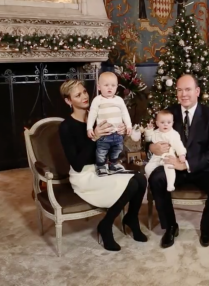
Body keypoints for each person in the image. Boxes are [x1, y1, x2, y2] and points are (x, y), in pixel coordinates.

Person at [59, 80, 147, 252]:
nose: (85, 97)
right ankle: (106, 225)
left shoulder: (100, 116)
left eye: (84, 92)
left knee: (141, 180)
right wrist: (94, 137)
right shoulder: (66, 127)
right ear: (68, 101)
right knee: (131, 184)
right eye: (78, 95)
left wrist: (120, 133)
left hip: (104, 166)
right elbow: (76, 164)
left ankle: (131, 218)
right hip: (84, 174)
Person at [148, 74, 209, 248]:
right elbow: (153, 136)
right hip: (173, 166)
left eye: (188, 89)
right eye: (179, 90)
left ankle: (206, 228)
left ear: (197, 91)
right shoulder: (169, 113)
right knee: (156, 178)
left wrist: (185, 164)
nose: (183, 94)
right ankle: (170, 226)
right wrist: (152, 147)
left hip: (204, 167)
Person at [87, 72, 132, 176]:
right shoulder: (97, 100)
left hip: (117, 134)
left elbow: (125, 113)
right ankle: (101, 166)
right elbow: (92, 114)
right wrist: (89, 128)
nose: (109, 88)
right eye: (106, 85)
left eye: (113, 85)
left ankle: (113, 165)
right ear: (99, 87)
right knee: (101, 152)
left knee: (117, 150)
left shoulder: (119, 100)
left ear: (117, 87)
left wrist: (128, 126)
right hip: (104, 135)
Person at [144, 110, 187, 192]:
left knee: (169, 168)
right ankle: (150, 182)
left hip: (168, 156)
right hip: (156, 157)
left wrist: (182, 154)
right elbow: (148, 139)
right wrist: (149, 130)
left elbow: (178, 145)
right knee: (148, 168)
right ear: (157, 123)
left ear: (172, 123)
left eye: (169, 122)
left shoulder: (173, 134)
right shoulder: (155, 132)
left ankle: (170, 184)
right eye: (162, 122)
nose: (165, 124)